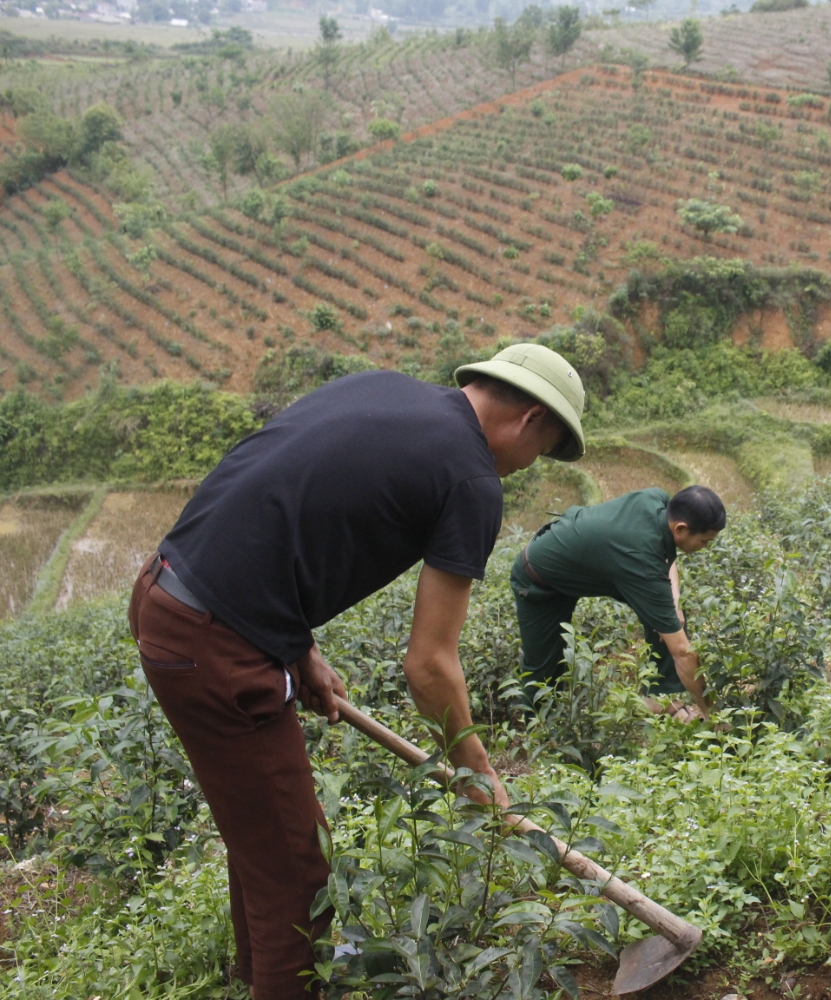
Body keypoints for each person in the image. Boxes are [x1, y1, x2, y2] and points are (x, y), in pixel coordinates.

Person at [128, 343, 587, 1000]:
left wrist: (297, 648)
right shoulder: (471, 479)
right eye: (543, 449)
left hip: (165, 592)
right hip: (216, 646)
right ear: (531, 420)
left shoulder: (385, 388)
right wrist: (476, 770)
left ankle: (256, 978)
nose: (526, 466)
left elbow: (267, 497)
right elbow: (429, 666)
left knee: (267, 831)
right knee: (296, 871)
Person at [511, 484, 725, 718]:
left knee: (669, 615)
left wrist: (674, 599)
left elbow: (664, 555)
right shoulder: (640, 559)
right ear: (681, 529)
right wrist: (712, 714)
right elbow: (683, 653)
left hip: (594, 563)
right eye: (704, 541)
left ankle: (657, 697)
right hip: (538, 580)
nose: (705, 547)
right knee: (543, 669)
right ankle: (538, 731)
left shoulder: (657, 500)